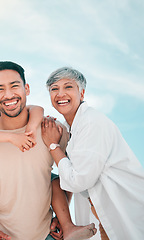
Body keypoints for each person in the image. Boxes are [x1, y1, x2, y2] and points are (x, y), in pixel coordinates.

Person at [0, 61, 85, 240]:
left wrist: (62, 216)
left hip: (47, 235)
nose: (9, 94)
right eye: (0, 89)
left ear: (26, 88)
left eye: (14, 86)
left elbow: (72, 172)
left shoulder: (51, 129)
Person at [41, 67, 144, 240]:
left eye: (68, 87)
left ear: (81, 93)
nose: (60, 94)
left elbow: (78, 180)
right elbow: (69, 173)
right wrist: (62, 215)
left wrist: (53, 146)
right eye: (54, 89)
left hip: (125, 209)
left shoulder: (92, 123)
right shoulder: (68, 128)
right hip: (101, 217)